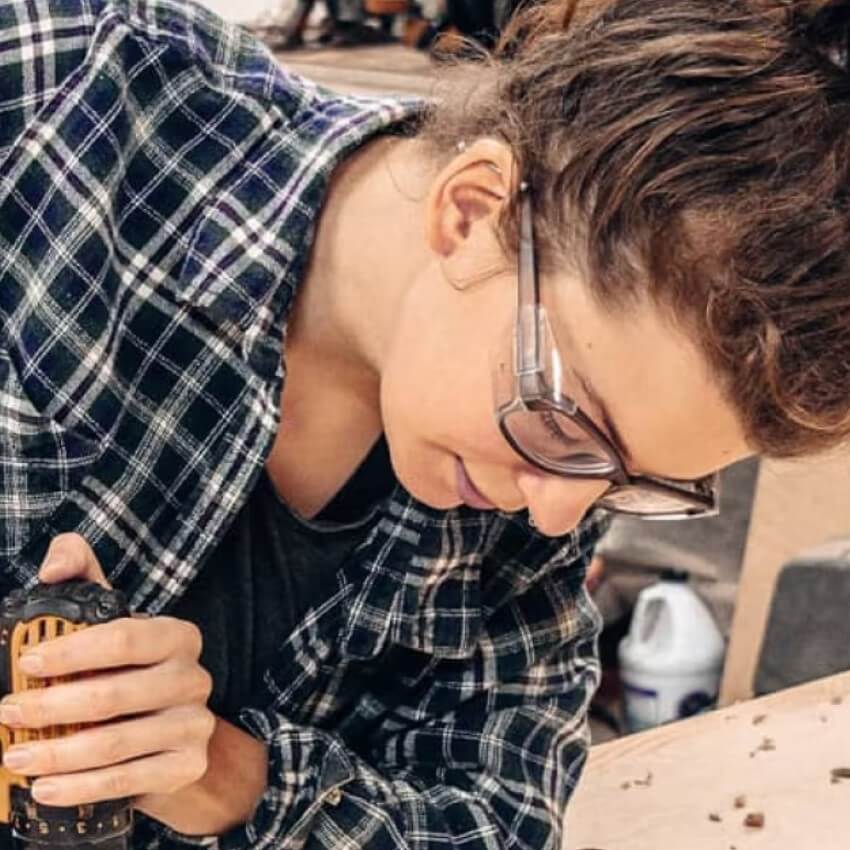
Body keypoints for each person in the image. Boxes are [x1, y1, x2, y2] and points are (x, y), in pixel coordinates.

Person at [0, 1, 848, 849]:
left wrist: (225, 777)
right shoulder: (53, 94)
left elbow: (498, 822)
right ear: (472, 211)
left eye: (626, 484)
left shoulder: (540, 475)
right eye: (567, 425)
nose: (554, 517)